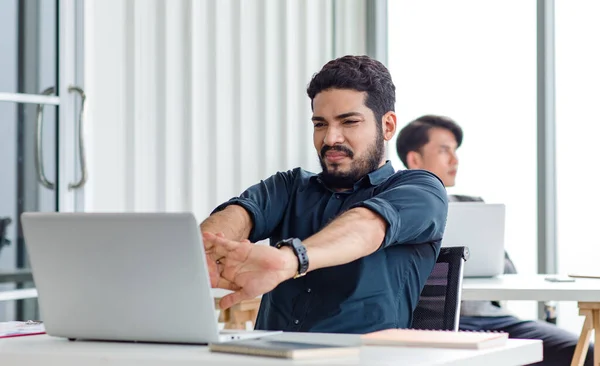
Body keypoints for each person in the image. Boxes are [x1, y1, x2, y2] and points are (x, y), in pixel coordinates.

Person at [199, 55, 448, 334]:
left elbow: (366, 226)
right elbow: (239, 215)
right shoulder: (289, 186)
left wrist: (288, 260)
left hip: (362, 359)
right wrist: (207, 248)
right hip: (270, 357)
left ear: (387, 126)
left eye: (349, 122)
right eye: (320, 124)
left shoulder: (421, 190)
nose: (330, 138)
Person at [396, 114, 593, 366]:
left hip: (495, 319)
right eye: (444, 150)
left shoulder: (472, 206)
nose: (455, 160)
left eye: (455, 151)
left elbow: (508, 271)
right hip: (436, 324)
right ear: (415, 159)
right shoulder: (398, 210)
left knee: (588, 354)